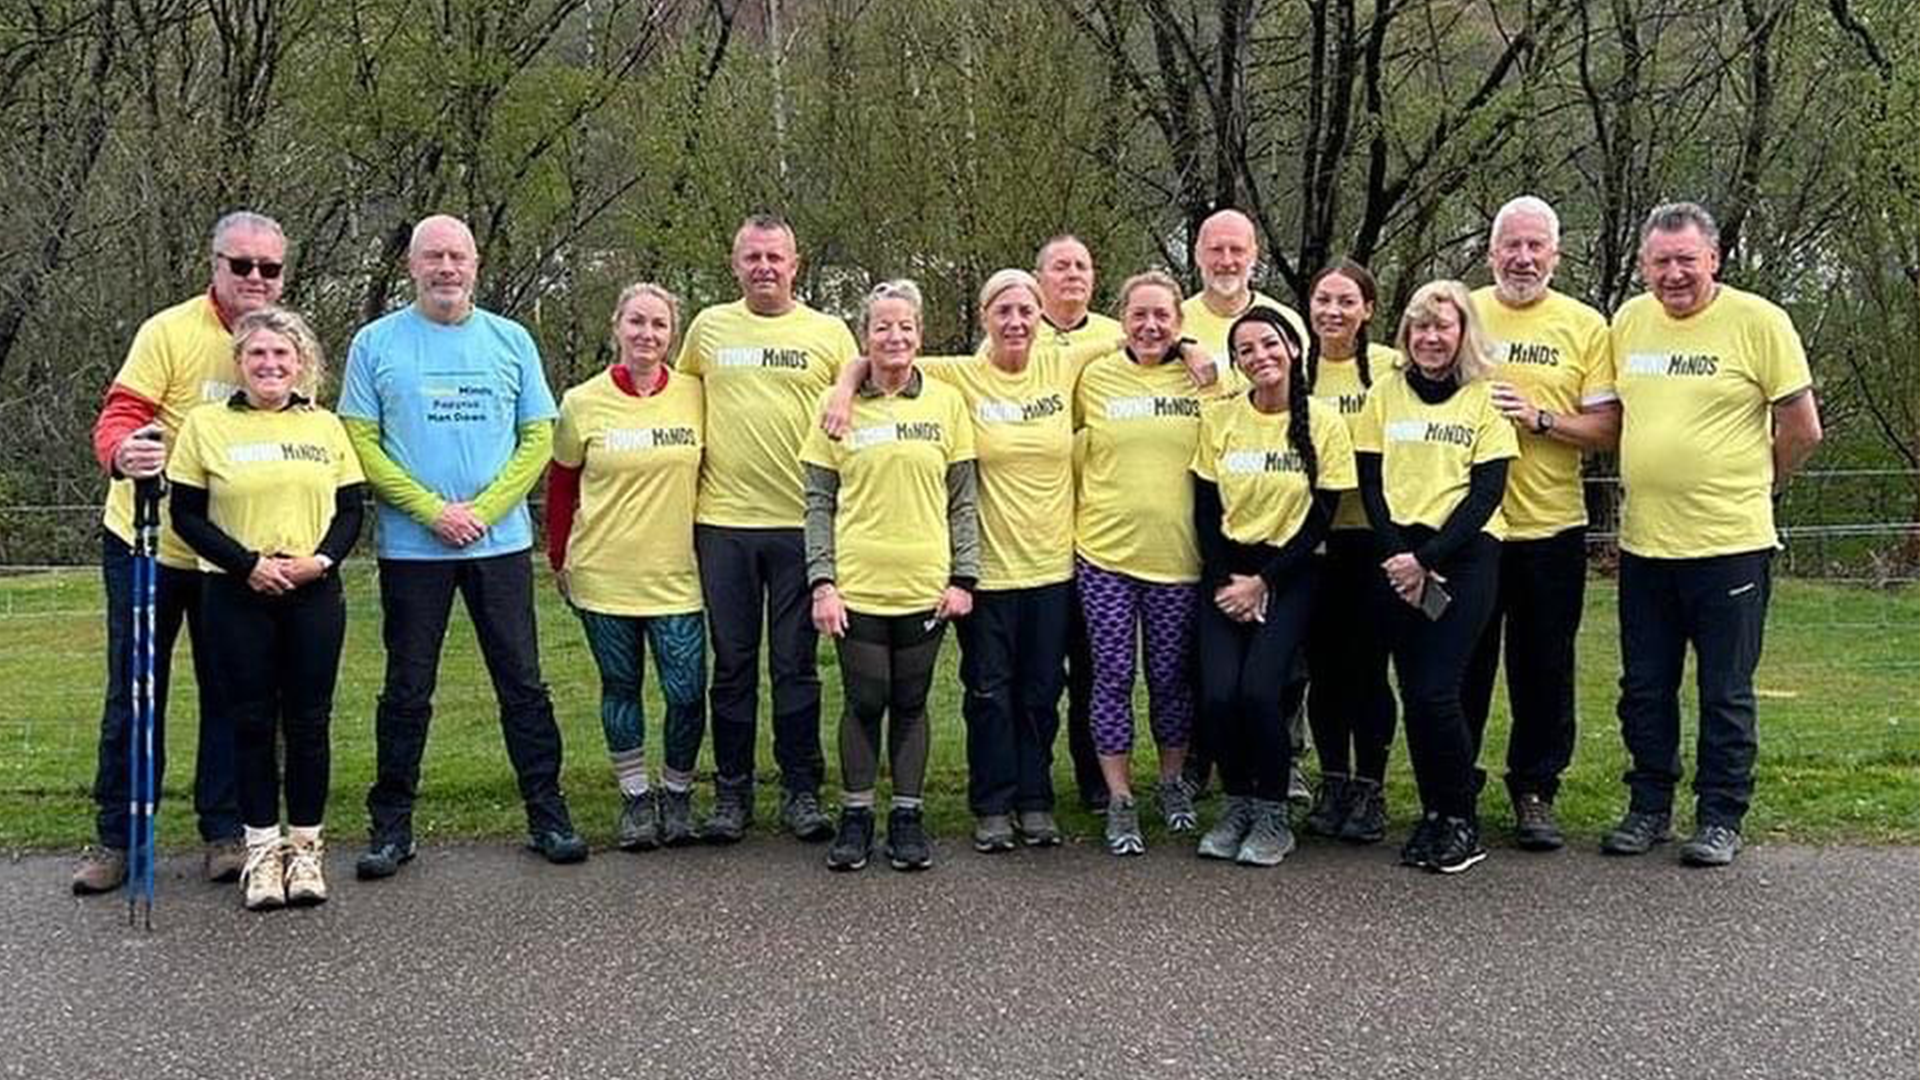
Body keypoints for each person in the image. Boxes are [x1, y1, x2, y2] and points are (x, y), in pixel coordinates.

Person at [341, 214, 586, 878]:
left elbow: (537, 435)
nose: (446, 268)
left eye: (458, 257)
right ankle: (391, 826)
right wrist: (430, 511)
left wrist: (481, 511)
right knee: (406, 690)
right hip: (413, 550)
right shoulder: (375, 343)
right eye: (433, 257)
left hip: (498, 546)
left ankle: (548, 813)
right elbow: (361, 441)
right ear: (411, 267)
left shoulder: (510, 340)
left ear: (475, 265)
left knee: (523, 685)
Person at [1602, 202, 1821, 867]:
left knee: (1724, 692)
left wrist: (1762, 485)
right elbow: (1618, 418)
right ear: (1643, 265)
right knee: (1644, 688)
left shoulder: (1759, 322)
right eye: (1660, 262)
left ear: (1715, 259)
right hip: (1645, 545)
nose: (1673, 275)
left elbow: (1803, 427)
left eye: (1685, 261)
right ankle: (1649, 807)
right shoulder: (1630, 321)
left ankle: (1721, 815)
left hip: (1730, 546)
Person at [73, 210, 283, 894]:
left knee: (232, 689)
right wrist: (122, 452)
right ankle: (118, 837)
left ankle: (224, 830)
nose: (255, 278)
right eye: (241, 264)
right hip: (149, 541)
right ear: (214, 266)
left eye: (269, 267)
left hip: (228, 552)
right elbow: (119, 416)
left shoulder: (282, 343)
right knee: (137, 689)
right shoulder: (169, 332)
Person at [167, 308, 365, 910]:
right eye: (258, 355)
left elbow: (351, 510)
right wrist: (247, 563)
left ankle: (305, 850)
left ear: (300, 363)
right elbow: (187, 516)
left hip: (311, 590)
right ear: (240, 363)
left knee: (308, 724)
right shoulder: (206, 426)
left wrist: (321, 561)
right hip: (236, 591)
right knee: (249, 723)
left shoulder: (326, 427)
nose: (270, 365)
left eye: (282, 355)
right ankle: (260, 852)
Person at [676, 214, 859, 844]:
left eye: (774, 257)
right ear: (735, 265)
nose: (763, 267)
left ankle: (802, 790)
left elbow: (860, 379)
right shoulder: (706, 330)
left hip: (799, 524)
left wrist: (850, 382)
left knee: (795, 665)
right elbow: (678, 402)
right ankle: (731, 792)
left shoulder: (828, 332)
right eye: (752, 257)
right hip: (722, 523)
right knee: (731, 666)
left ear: (795, 263)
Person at [801, 280, 978, 872]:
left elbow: (963, 501)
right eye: (882, 326)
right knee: (866, 697)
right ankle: (855, 815)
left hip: (926, 585)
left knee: (911, 699)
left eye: (905, 326)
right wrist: (822, 582)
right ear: (865, 336)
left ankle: (906, 815)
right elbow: (818, 503)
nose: (894, 336)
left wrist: (964, 579)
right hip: (858, 586)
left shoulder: (947, 403)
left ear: (920, 335)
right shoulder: (836, 408)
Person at [1462, 197, 1620, 852]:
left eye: (1536, 247)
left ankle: (1535, 790)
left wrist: (1541, 419)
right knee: (1464, 666)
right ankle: (1455, 788)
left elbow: (1609, 430)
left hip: (1550, 528)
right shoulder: (1462, 312)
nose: (1522, 258)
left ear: (1556, 254)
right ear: (1491, 251)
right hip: (1469, 527)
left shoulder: (1586, 326)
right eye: (1511, 246)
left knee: (1543, 667)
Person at [1353, 280, 1518, 875]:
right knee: (1413, 693)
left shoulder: (1484, 399)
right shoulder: (1385, 395)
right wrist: (1401, 556)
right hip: (1399, 556)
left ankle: (1461, 819)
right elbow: (1370, 482)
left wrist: (1428, 561)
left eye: (1442, 327)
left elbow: (1487, 492)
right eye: (1420, 327)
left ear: (1462, 333)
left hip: (1464, 557)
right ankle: (1433, 813)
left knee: (1436, 690)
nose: (1430, 337)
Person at [1075, 270, 1242, 855]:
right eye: (1139, 315)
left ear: (1180, 322)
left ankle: (1171, 783)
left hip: (1179, 559)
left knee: (1171, 681)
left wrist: (1195, 350)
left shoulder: (1205, 377)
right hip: (1105, 556)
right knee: (1113, 677)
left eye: (1162, 317)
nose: (1150, 326)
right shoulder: (1093, 375)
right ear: (1122, 319)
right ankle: (1120, 798)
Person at [1191, 307, 1356, 866]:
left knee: (1261, 691)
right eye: (1245, 350)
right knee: (1217, 696)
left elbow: (1322, 516)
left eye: (1268, 344)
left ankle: (1272, 812)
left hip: (1292, 571)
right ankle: (1237, 803)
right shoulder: (1220, 419)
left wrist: (1262, 583)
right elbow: (1205, 508)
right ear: (1236, 363)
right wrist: (1227, 584)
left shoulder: (1325, 421)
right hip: (1226, 572)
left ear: (1291, 347)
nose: (1259, 356)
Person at [548, 284, 706, 851]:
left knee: (687, 693)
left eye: (660, 325)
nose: (648, 334)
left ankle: (678, 793)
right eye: (637, 322)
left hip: (678, 577)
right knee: (621, 687)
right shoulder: (582, 401)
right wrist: (559, 554)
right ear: (617, 326)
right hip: (603, 574)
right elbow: (562, 480)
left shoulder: (694, 394)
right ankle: (636, 799)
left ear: (673, 333)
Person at [1177, 208, 1311, 801]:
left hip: (1280, 515)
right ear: (1198, 256)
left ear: (1254, 253)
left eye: (1237, 250)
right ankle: (1208, 760)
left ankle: (1288, 763)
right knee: (1208, 664)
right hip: (1199, 501)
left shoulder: (1286, 321)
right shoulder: (1175, 317)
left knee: (1282, 670)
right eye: (1215, 250)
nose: (1226, 261)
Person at [1297, 260, 1404, 844]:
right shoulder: (1293, 368)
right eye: (1322, 300)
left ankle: (1372, 786)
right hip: (1313, 540)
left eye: (1345, 301)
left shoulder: (1391, 366)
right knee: (1325, 671)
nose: (1332, 312)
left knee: (1368, 669)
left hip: (1375, 538)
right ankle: (1334, 780)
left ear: (1367, 309)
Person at [1034, 235, 1123, 813]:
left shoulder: (1115, 336)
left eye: (1083, 266)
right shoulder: (1014, 328)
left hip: (1097, 529)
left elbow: (1167, 349)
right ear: (1039, 276)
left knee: (1096, 665)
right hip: (1033, 531)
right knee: (1042, 673)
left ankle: (1095, 777)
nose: (1073, 275)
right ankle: (1031, 778)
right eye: (1061, 265)